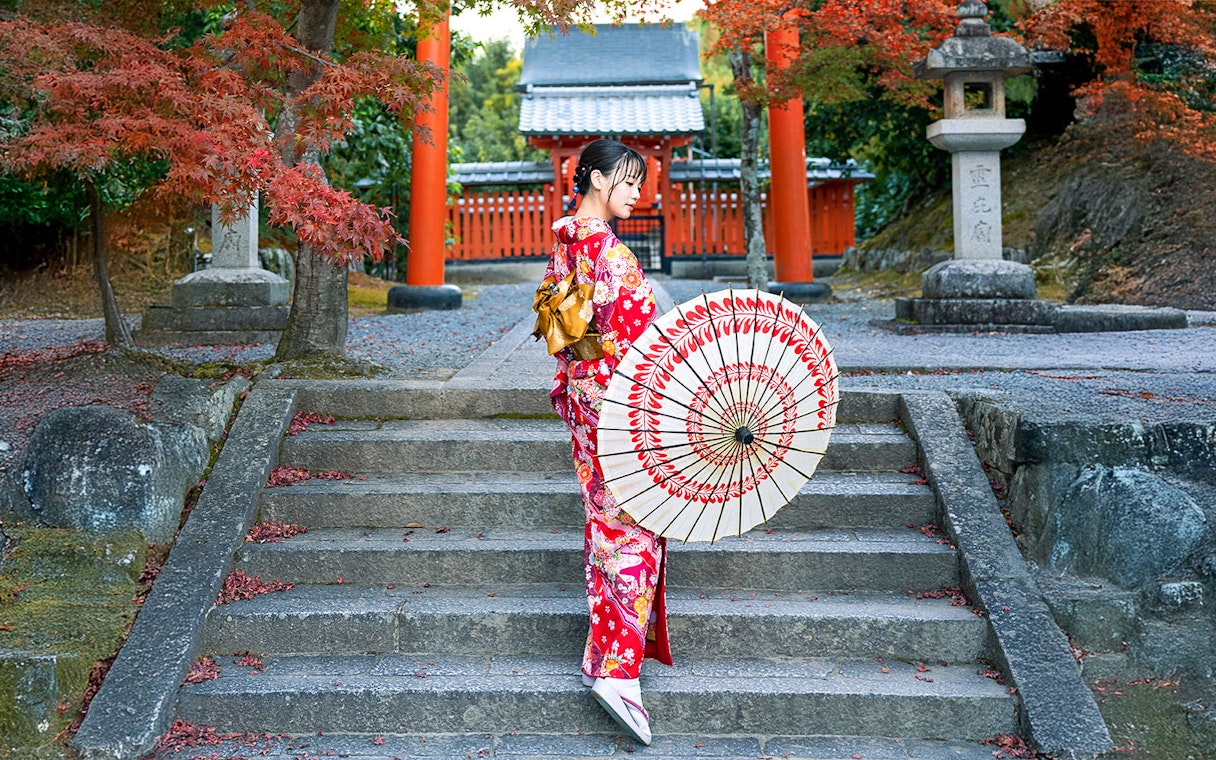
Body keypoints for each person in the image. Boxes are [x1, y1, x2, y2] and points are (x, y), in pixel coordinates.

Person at [537, 139, 671, 746]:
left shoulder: (566, 241)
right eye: (627, 179)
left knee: (605, 521)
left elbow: (558, 330)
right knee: (637, 524)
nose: (637, 191)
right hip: (620, 403)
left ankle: (603, 654)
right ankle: (619, 671)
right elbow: (644, 337)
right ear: (593, 178)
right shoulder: (609, 253)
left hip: (585, 396)